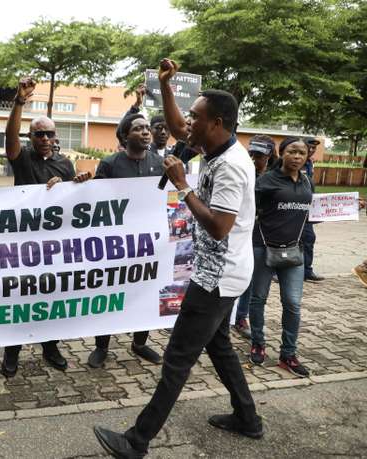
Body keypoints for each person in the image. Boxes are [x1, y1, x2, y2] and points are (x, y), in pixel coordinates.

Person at [94, 58, 261, 458]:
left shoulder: (231, 167)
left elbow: (219, 227)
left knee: (176, 360)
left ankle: (136, 441)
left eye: (196, 117)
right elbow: (176, 126)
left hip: (216, 278)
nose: (189, 123)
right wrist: (166, 86)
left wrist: (183, 186)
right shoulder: (215, 146)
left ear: (216, 123)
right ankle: (248, 418)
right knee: (220, 349)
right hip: (223, 273)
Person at [0, 77, 91, 377]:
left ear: (55, 136)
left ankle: (50, 347)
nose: (44, 138)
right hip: (24, 242)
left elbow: (71, 202)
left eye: (49, 133)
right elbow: (9, 139)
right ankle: (11, 351)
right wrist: (19, 102)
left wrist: (75, 184)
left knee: (50, 298)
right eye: (38, 134)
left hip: (53, 245)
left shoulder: (64, 164)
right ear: (30, 137)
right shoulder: (22, 157)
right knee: (20, 298)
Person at [86, 115, 165, 368]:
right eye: (138, 128)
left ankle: (140, 343)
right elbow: (97, 201)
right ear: (124, 136)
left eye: (147, 128)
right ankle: (101, 346)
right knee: (110, 294)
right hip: (116, 245)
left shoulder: (160, 164)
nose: (146, 132)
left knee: (146, 293)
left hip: (149, 244)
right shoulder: (109, 164)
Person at [248, 138, 313, 378]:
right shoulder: (265, 181)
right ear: (282, 153)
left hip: (295, 251)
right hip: (264, 248)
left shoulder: (307, 181)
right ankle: (258, 343)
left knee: (293, 303)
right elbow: (248, 210)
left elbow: (310, 213)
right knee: (258, 298)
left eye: (302, 153)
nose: (297, 157)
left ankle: (288, 354)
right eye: (292, 151)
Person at [233, 135, 275, 340]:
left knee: (252, 279)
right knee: (237, 276)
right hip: (241, 233)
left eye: (259, 155)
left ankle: (241, 316)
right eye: (251, 154)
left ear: (269, 156)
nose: (253, 159)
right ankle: (231, 316)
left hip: (264, 236)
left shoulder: (275, 177)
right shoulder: (242, 172)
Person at [301, 137, 324, 282]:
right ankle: (278, 271)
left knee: (309, 238)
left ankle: (307, 271)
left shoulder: (309, 163)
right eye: (309, 147)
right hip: (294, 206)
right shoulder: (296, 161)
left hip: (308, 207)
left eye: (314, 148)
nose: (312, 150)